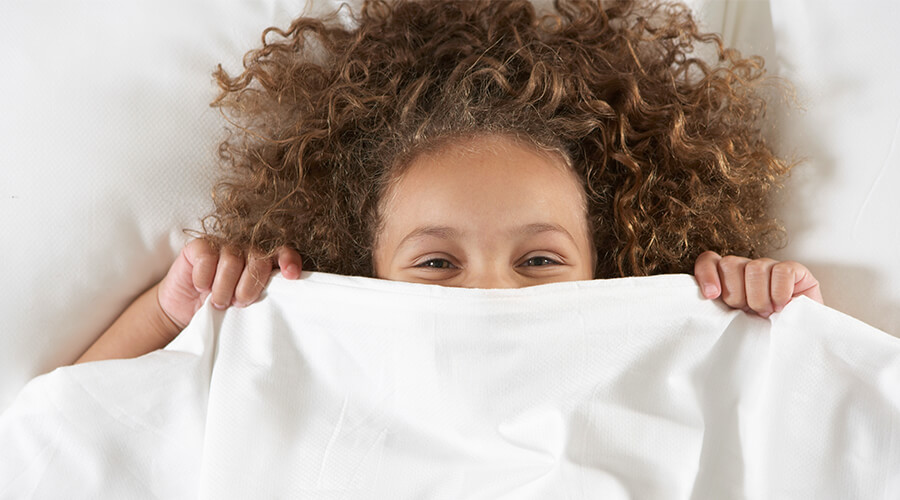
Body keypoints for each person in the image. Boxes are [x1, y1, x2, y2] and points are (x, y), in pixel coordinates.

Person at [76, 0, 822, 364]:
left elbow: (834, 425)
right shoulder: (310, 336)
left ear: (611, 264)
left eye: (539, 261)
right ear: (359, 267)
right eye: (436, 262)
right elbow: (70, 439)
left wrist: (782, 319)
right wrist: (173, 313)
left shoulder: (665, 337)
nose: (491, 295)